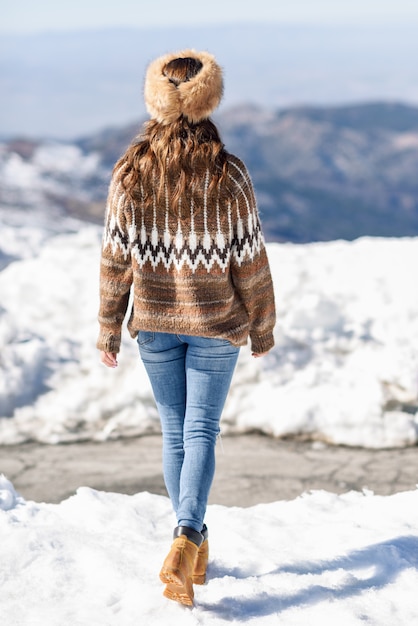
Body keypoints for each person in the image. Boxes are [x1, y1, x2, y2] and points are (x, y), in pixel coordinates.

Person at [97, 49, 276, 606]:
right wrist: (263, 325)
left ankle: (191, 549)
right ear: (208, 99)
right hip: (215, 322)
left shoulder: (130, 172)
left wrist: (107, 327)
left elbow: (114, 257)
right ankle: (188, 536)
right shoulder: (229, 172)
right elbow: (249, 258)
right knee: (201, 431)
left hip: (152, 322)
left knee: (174, 431)